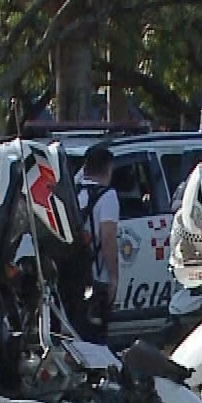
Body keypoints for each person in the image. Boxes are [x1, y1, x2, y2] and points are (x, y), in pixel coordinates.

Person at [67, 145, 120, 341]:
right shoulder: (108, 197)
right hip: (97, 280)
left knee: (76, 337)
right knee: (96, 339)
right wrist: (114, 278)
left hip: (72, 277)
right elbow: (107, 239)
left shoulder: (73, 192)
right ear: (109, 168)